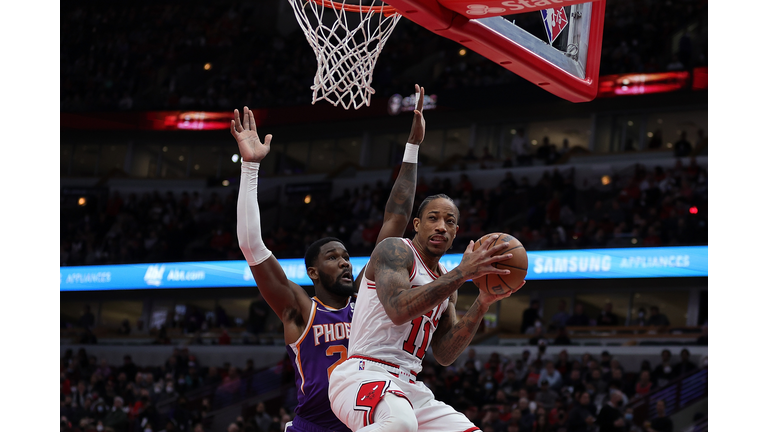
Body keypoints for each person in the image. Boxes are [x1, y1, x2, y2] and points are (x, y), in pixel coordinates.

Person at [232, 85, 427, 432]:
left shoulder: (366, 301)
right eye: (333, 257)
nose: (345, 262)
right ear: (313, 272)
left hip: (364, 422)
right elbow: (252, 246)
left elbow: (395, 220)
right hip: (314, 426)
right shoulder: (301, 310)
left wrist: (412, 147)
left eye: (347, 256)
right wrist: (250, 167)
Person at [328, 194, 526, 432]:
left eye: (449, 222)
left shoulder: (447, 282)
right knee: (400, 423)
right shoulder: (394, 250)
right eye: (433, 218)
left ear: (456, 233)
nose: (441, 227)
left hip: (409, 386)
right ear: (417, 225)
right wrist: (461, 273)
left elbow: (444, 354)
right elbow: (398, 309)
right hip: (363, 373)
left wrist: (482, 303)